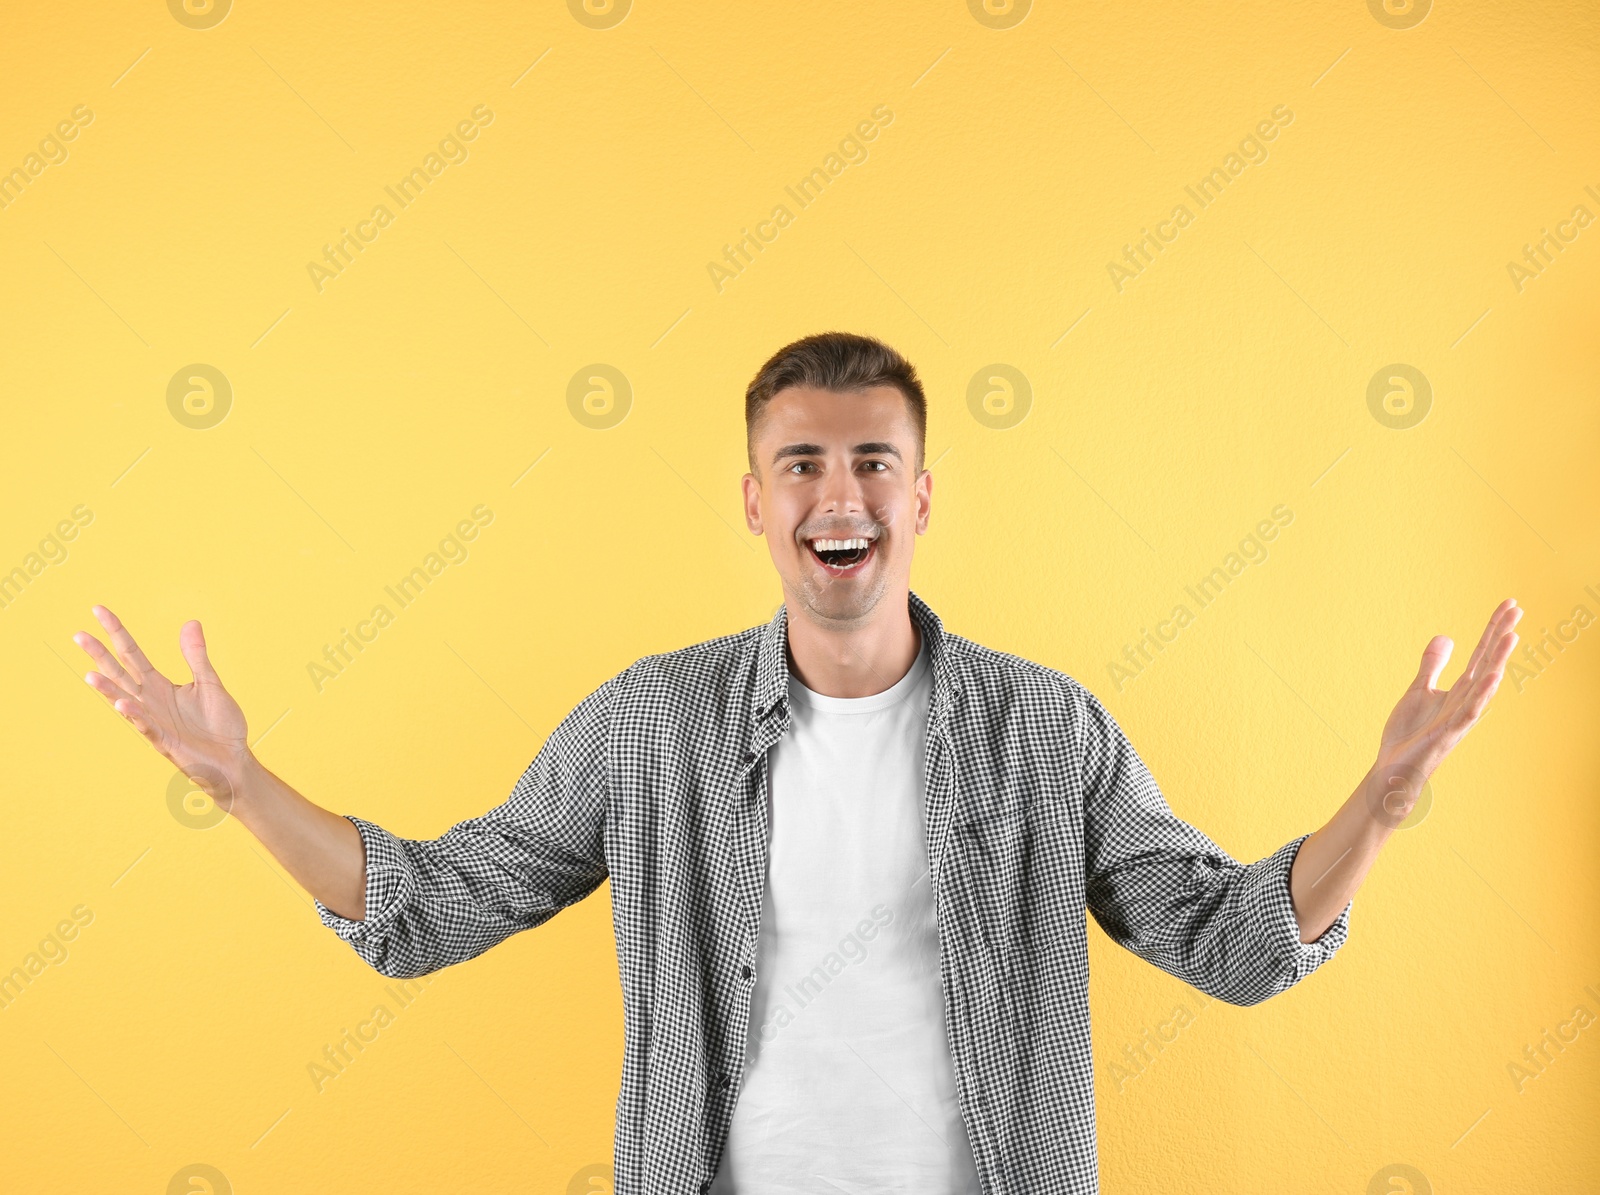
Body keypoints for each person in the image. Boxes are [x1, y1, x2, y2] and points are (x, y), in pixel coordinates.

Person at [73, 331, 1521, 1195]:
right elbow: (434, 907)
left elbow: (1233, 942)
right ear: (755, 501)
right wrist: (242, 787)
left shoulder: (1045, 728)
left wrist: (1381, 805)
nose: (843, 495)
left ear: (924, 494)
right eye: (808, 465)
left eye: (874, 461)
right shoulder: (651, 724)